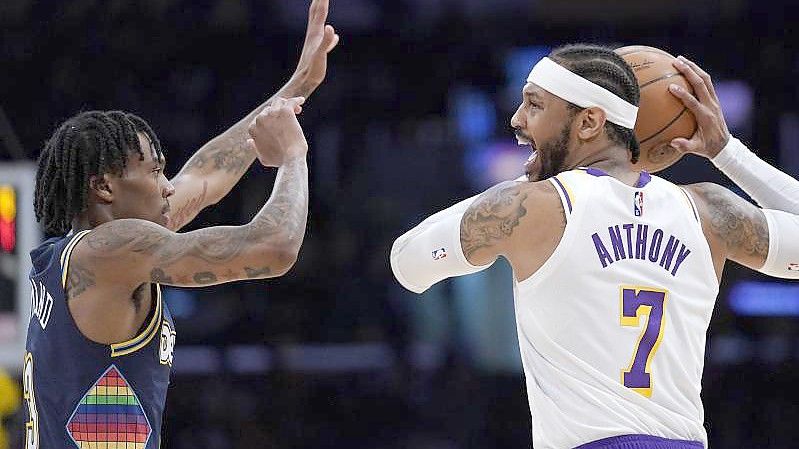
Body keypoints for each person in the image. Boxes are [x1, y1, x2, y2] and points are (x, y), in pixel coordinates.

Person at [390, 43, 799, 449]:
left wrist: (518, 183)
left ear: (588, 123)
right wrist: (727, 153)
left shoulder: (530, 205)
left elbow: (407, 264)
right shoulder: (709, 210)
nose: (517, 120)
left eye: (534, 104)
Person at [22, 1, 339, 448]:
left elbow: (205, 178)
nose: (168, 186)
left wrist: (296, 87)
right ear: (105, 188)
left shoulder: (83, 257)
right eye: (154, 171)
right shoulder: (113, 247)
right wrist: (293, 155)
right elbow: (275, 247)